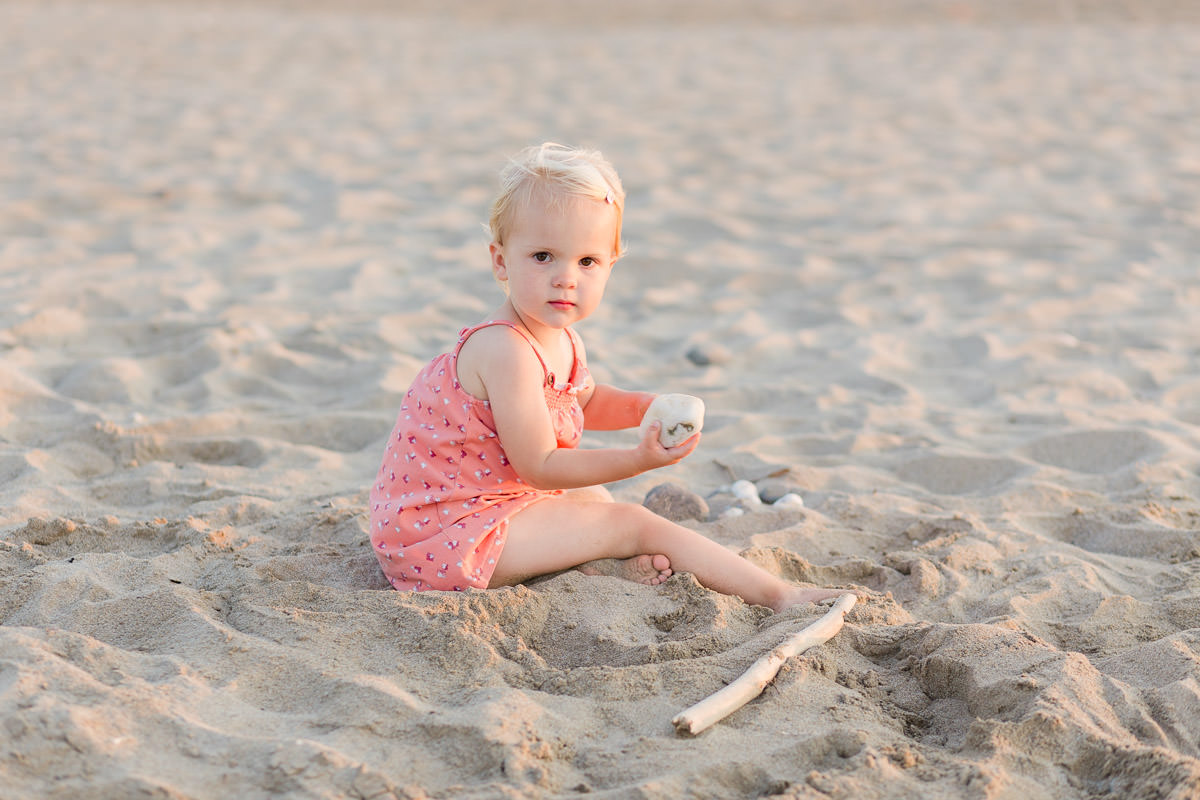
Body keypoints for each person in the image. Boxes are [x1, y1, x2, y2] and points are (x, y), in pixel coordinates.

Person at [368, 142, 856, 611]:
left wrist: (645, 407)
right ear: (501, 260)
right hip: (442, 534)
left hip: (492, 499)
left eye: (586, 261)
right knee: (631, 522)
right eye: (543, 256)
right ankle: (779, 596)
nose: (566, 277)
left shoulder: (557, 334)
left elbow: (582, 400)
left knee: (594, 500)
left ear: (610, 265)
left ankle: (591, 569)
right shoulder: (506, 349)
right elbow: (540, 464)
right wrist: (638, 459)